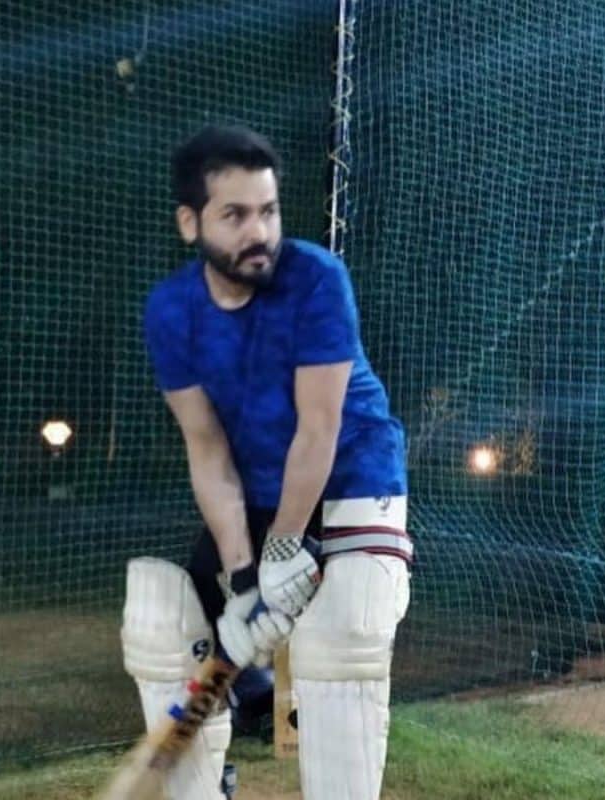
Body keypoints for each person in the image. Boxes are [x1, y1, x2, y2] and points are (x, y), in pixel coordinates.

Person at [122, 124, 412, 800]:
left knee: (343, 633)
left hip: (353, 473)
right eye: (235, 215)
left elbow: (319, 428)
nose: (259, 232)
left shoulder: (316, 280)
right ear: (190, 222)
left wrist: (283, 549)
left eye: (269, 211)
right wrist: (248, 574)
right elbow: (207, 448)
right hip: (256, 486)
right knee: (163, 625)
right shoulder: (171, 312)